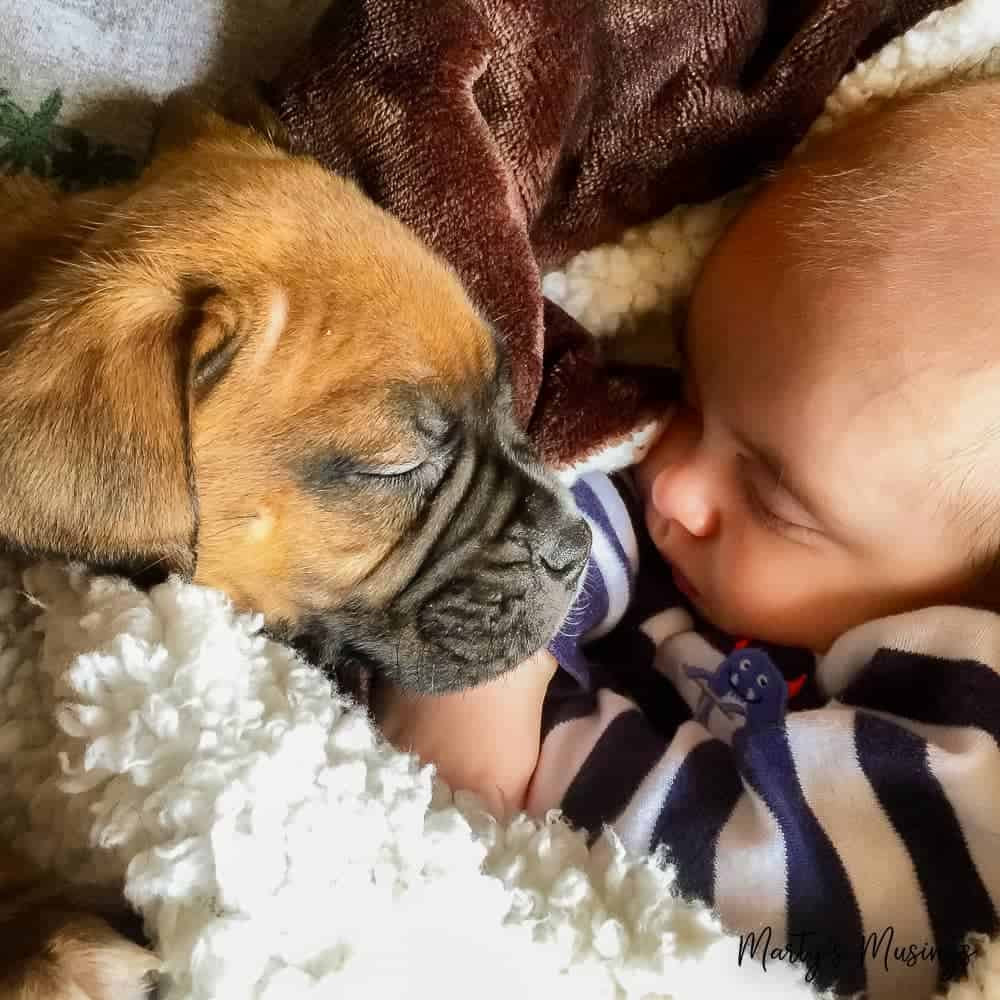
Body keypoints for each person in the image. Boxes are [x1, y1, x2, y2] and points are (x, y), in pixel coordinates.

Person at [377, 80, 1000, 998]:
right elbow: (559, 503)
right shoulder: (691, 522)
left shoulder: (966, 746)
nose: (676, 481)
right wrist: (500, 633)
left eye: (775, 497)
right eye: (697, 392)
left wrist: (491, 707)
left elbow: (748, 920)